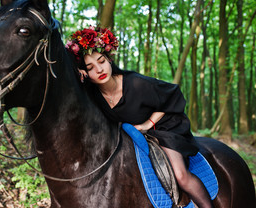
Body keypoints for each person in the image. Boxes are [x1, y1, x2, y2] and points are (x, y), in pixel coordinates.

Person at [65, 26, 213, 208]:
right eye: (90, 67)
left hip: (164, 126)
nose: (99, 69)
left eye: (101, 61)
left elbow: (173, 95)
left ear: (109, 59)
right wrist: (76, 77)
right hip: (135, 134)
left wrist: (147, 124)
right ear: (85, 73)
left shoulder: (136, 83)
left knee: (181, 175)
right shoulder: (93, 95)